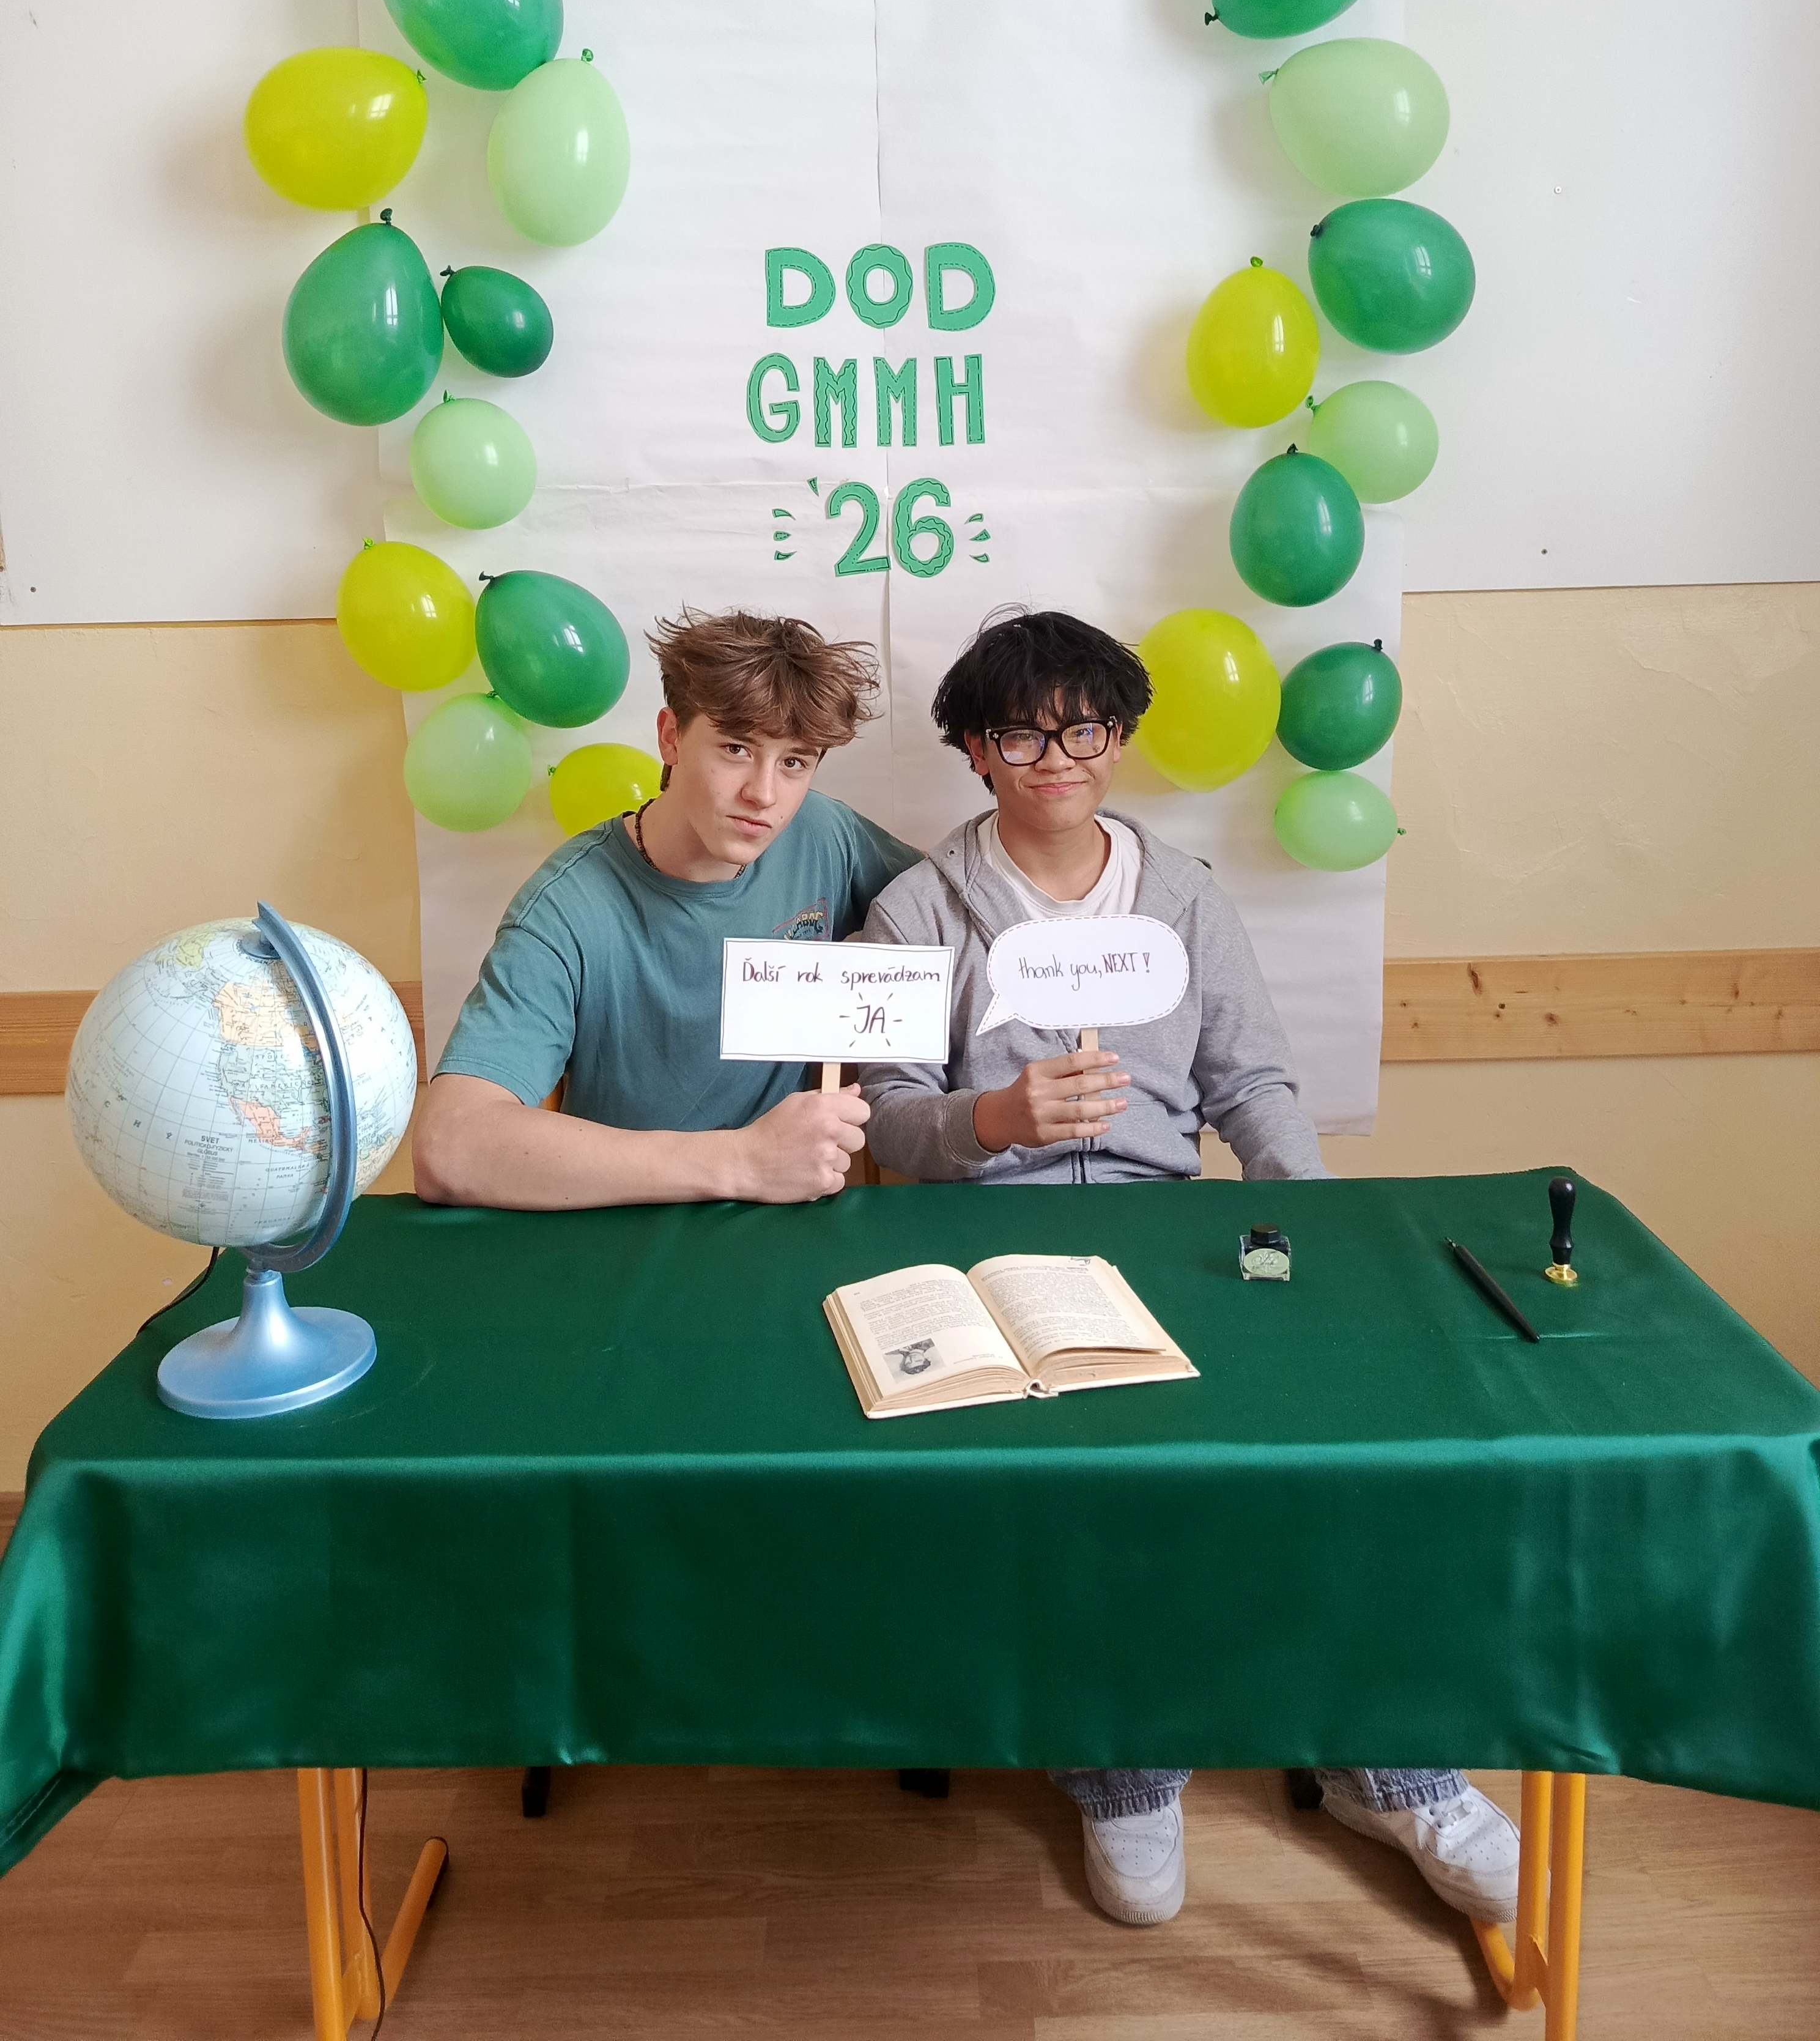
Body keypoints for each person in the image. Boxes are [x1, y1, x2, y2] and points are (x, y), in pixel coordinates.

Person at [856, 608, 1520, 1931]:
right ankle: (1124, 1766)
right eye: (1021, 735)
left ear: (1120, 737)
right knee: (1089, 1495)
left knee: (1325, 1455)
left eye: (1085, 729)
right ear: (975, 750)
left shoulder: (1186, 894)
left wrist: (1309, 1220)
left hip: (1173, 1233)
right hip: (991, 1257)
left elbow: (1252, 1079)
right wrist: (994, 1119)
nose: (1058, 758)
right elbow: (885, 1115)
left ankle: (1388, 1763)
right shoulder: (917, 908)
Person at [414, 609, 919, 1210]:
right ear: (671, 737)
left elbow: (960, 908)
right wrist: (742, 1162)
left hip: (788, 1224)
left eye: (794, 762)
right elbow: (449, 1147)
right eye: (736, 748)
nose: (763, 794)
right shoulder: (566, 907)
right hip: (626, 1225)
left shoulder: (825, 833)